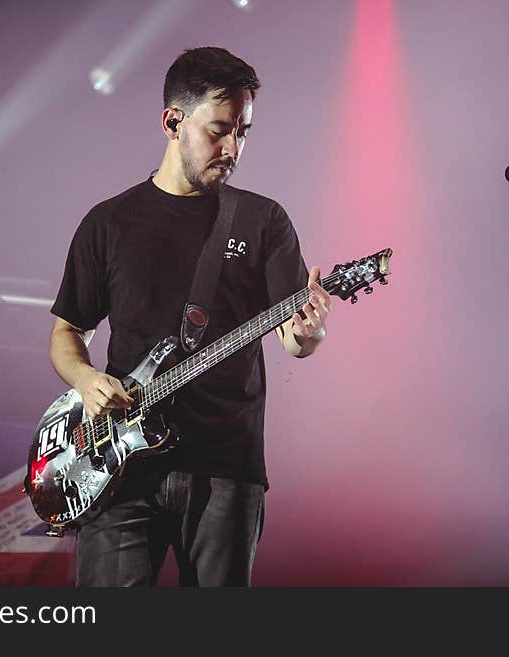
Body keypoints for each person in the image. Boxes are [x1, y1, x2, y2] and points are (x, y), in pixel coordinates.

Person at [49, 46, 330, 587]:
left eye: (243, 132)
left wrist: (309, 333)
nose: (233, 148)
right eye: (219, 130)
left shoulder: (261, 219)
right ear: (173, 122)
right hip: (117, 464)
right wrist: (86, 380)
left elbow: (295, 340)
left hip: (225, 464)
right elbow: (67, 332)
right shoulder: (109, 223)